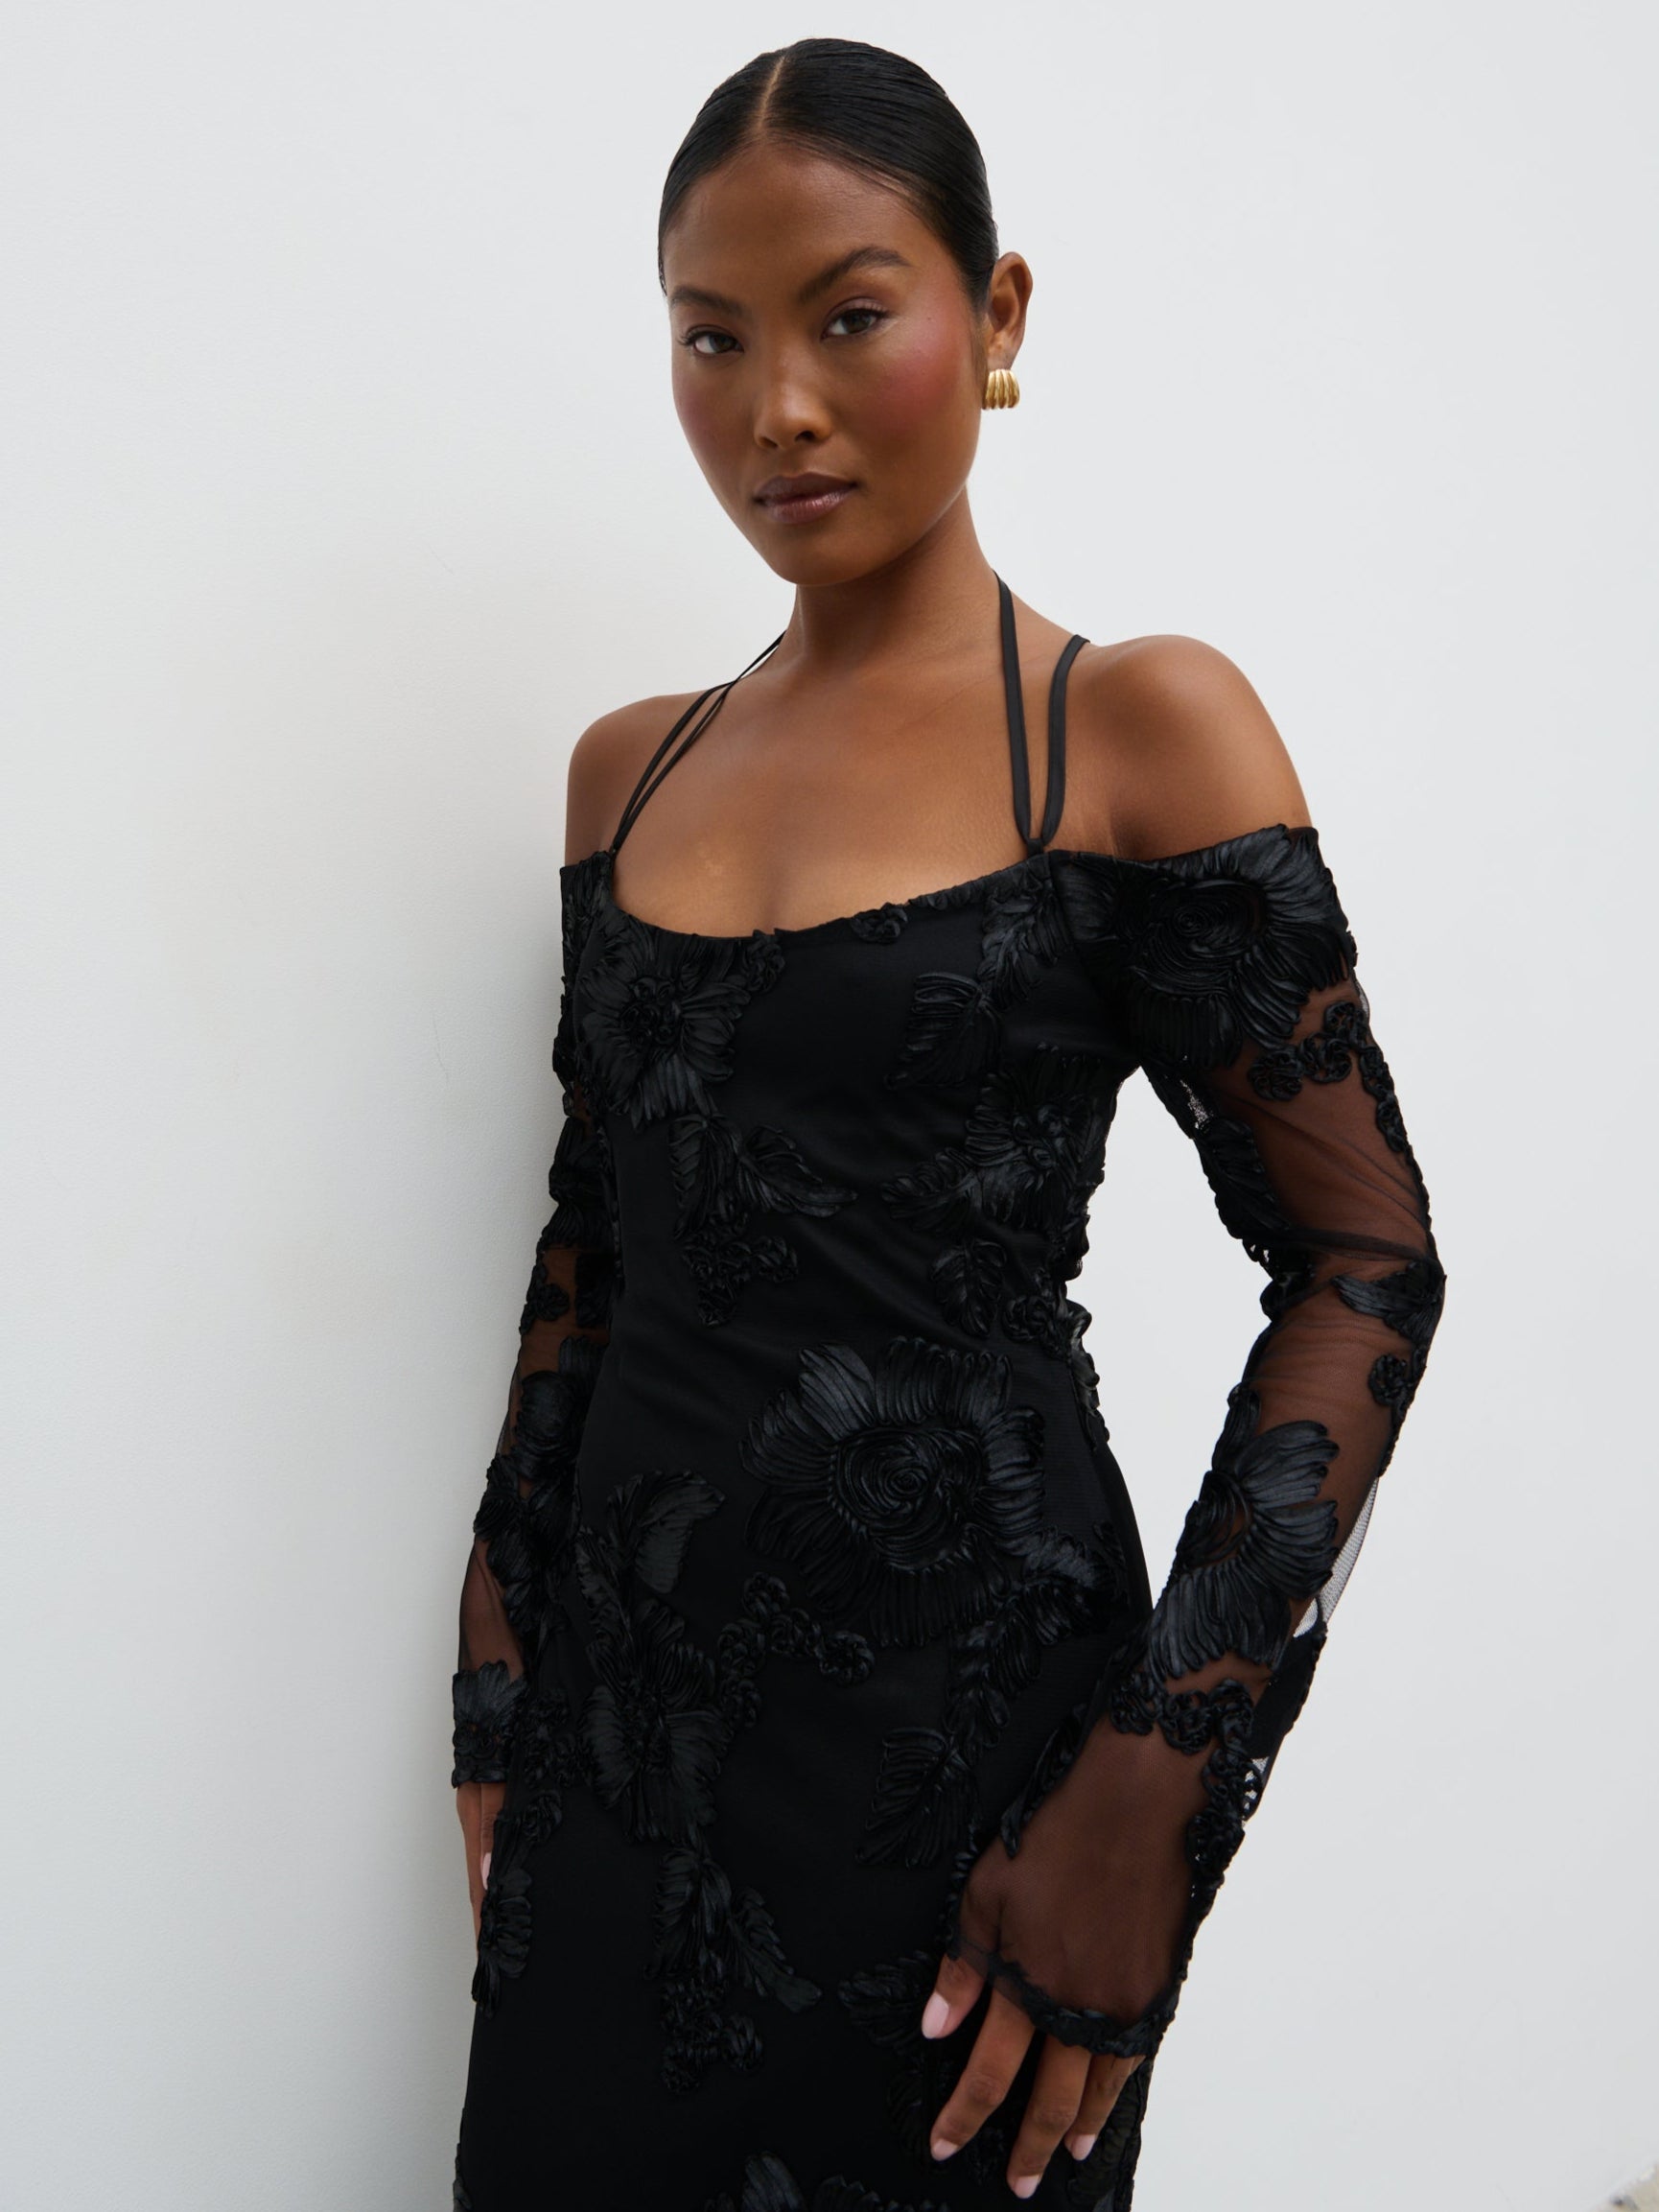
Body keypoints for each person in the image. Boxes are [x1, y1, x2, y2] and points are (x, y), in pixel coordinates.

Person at [448, 35, 1444, 2211]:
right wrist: (495, 1678)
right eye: (711, 338)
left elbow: (1366, 1263)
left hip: (975, 1781)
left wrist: (1152, 1795)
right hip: (616, 1755)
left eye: (846, 316)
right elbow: (594, 1247)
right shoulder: (624, 770)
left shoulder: (1134, 726)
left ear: (993, 314)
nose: (775, 407)